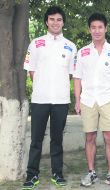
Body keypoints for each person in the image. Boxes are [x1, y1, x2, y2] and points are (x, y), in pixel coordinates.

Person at [22, 6, 77, 190]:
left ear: (63, 22)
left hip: (61, 101)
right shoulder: (35, 43)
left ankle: (57, 173)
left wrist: (57, 86)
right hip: (39, 99)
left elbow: (70, 74)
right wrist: (43, 86)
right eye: (52, 19)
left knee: (57, 139)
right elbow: (31, 70)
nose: (55, 22)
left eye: (59, 19)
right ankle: (32, 175)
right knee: (36, 139)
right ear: (46, 21)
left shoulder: (71, 46)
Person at [73, 13, 110, 187]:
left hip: (107, 100)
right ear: (89, 29)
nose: (97, 30)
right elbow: (77, 78)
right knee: (89, 137)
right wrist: (77, 100)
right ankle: (91, 173)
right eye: (93, 27)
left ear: (106, 28)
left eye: (100, 27)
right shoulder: (82, 52)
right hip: (88, 100)